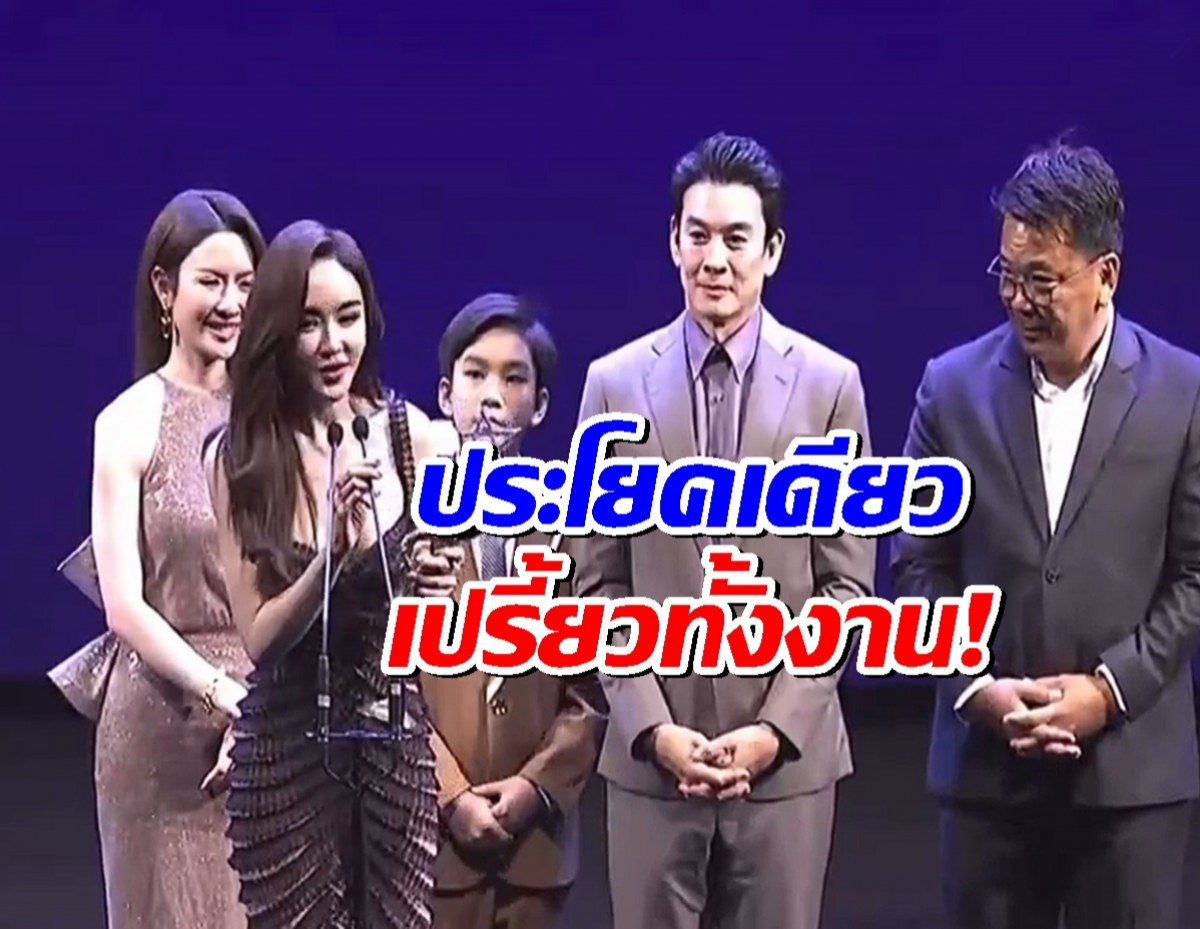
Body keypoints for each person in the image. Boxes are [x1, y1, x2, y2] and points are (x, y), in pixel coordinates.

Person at [568, 132, 875, 929]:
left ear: (772, 251)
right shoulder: (612, 385)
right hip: (652, 767)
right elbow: (595, 583)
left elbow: (846, 589)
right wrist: (652, 728)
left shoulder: (830, 386)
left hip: (785, 768)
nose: (715, 259)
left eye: (736, 238)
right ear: (673, 241)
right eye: (698, 234)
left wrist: (773, 730)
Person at [892, 139, 1200, 929]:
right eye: (1007, 274)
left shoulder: (1184, 392)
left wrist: (1106, 689)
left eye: (1042, 280)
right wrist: (976, 689)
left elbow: (1195, 576)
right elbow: (917, 565)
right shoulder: (950, 389)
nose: (1019, 299)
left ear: (1107, 275)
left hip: (1132, 786)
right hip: (988, 782)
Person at [205, 220, 462, 929]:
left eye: (348, 318)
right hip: (287, 761)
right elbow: (260, 640)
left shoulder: (413, 439)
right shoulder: (240, 458)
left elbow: (437, 623)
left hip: (394, 753)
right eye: (309, 323)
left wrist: (440, 591)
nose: (332, 343)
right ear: (276, 332)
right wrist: (334, 555)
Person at [48, 189, 266, 929]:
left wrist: (261, 708)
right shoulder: (128, 420)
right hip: (162, 735)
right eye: (212, 281)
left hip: (269, 724)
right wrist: (224, 694)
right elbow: (124, 606)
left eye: (245, 283)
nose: (231, 302)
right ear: (165, 288)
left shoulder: (275, 418)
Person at [415, 293, 607, 929]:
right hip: (429, 849)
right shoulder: (406, 525)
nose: (492, 396)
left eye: (513, 378)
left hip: (537, 850)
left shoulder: (574, 528)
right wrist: (450, 794)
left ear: (541, 404)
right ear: (445, 395)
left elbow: (592, 688)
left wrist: (533, 788)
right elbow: (388, 685)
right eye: (475, 375)